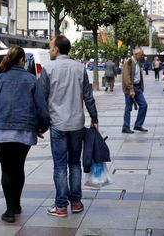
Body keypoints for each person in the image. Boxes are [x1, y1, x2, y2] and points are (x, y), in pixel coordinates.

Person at [0, 46, 49, 223]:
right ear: (21, 60)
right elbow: (41, 107)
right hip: (24, 132)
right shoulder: (31, 79)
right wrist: (42, 126)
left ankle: (10, 210)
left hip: (0, 131)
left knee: (7, 169)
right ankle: (16, 204)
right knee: (18, 167)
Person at [39, 35, 98, 218]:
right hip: (77, 124)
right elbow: (88, 97)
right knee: (74, 163)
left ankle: (61, 206)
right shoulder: (80, 68)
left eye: (50, 47)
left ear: (56, 49)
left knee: (59, 166)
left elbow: (41, 99)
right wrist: (94, 119)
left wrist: (40, 125)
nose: (50, 50)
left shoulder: (48, 68)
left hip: (57, 123)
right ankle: (76, 203)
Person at [121, 48, 148, 134]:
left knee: (144, 105)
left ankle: (138, 125)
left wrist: (140, 87)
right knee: (128, 108)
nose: (142, 56)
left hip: (137, 88)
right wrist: (131, 89)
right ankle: (125, 127)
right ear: (136, 54)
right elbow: (126, 77)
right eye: (141, 54)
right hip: (130, 88)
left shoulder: (137, 62)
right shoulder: (128, 62)